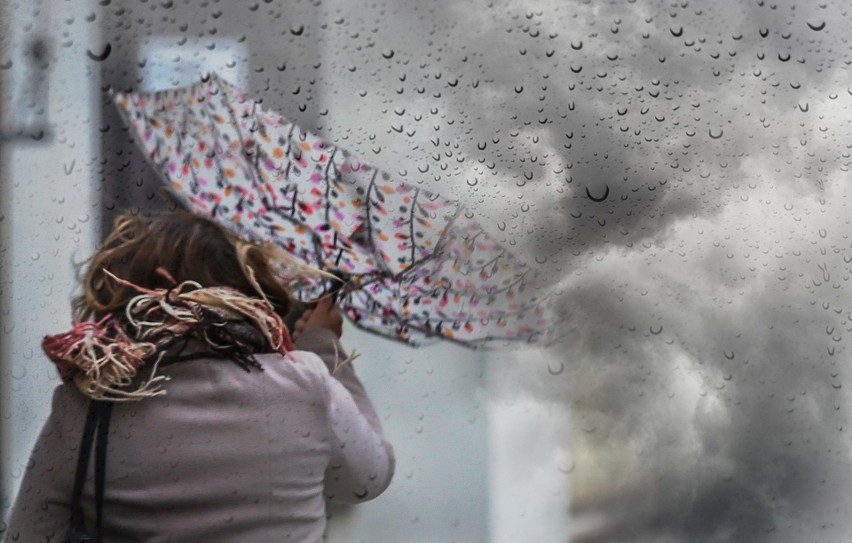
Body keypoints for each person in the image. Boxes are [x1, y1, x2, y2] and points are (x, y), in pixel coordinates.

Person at [3, 212, 395, 542]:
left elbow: (28, 533)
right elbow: (368, 477)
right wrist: (324, 346)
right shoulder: (306, 383)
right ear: (248, 293)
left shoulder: (87, 408)